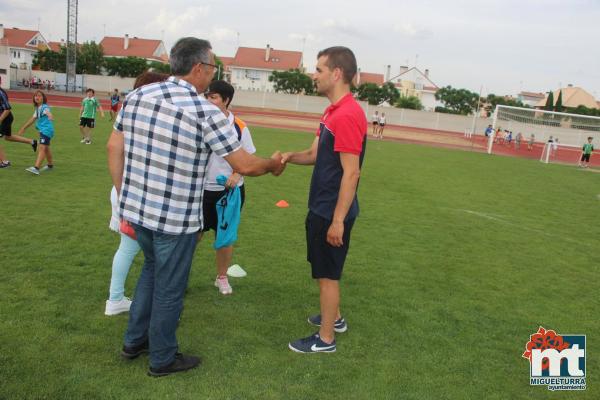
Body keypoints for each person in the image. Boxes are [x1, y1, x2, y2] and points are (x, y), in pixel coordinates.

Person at [107, 37, 285, 377]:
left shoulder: (138, 95)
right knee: (169, 288)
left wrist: (124, 195)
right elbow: (244, 164)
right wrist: (273, 165)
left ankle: (134, 342)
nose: (213, 74)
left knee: (150, 272)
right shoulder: (206, 111)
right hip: (174, 220)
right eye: (213, 67)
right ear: (199, 68)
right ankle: (161, 358)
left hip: (137, 212)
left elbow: (113, 146)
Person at [282, 46, 367, 353]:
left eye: (318, 69)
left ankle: (326, 339)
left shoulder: (346, 115)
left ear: (336, 73)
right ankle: (336, 318)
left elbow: (351, 173)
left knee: (328, 275)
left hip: (333, 210)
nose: (312, 75)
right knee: (322, 270)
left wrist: (337, 220)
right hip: (322, 206)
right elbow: (315, 155)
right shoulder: (332, 111)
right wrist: (289, 157)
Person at [104, 72, 168, 316]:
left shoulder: (131, 111)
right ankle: (118, 300)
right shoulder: (147, 114)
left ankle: (117, 299)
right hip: (138, 193)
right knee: (138, 250)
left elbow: (113, 148)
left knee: (129, 248)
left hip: (126, 191)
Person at [201, 80, 255, 295]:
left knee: (224, 237)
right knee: (192, 236)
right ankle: (180, 276)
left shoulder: (239, 126)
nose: (209, 100)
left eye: (214, 97)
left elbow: (248, 156)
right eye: (207, 96)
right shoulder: (199, 122)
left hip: (231, 192)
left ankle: (221, 277)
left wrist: (236, 173)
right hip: (201, 190)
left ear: (226, 100)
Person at [0, 78, 38, 168]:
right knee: (8, 137)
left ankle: (5, 162)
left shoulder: (0, 93)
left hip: (5, 118)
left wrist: (0, 120)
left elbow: (7, 109)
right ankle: (32, 142)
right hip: (5, 118)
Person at [17, 91, 55, 175]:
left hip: (46, 130)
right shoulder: (38, 108)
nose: (37, 97)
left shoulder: (44, 107)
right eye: (35, 96)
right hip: (43, 130)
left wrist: (50, 116)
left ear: (43, 98)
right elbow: (32, 119)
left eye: (39, 96)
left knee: (42, 148)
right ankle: (50, 165)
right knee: (46, 148)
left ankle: (36, 168)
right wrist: (24, 128)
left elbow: (48, 112)